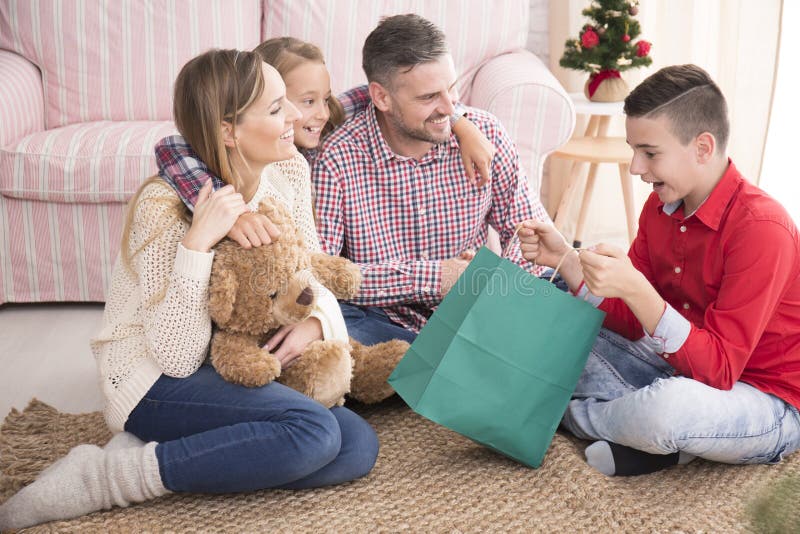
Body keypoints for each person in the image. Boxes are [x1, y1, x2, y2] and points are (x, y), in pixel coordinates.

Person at [0, 49, 378, 530]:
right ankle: (109, 476)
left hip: (234, 366)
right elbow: (176, 358)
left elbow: (312, 273)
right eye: (277, 109)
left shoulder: (289, 173)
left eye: (290, 103)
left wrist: (315, 321)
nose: (297, 118)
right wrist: (197, 245)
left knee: (355, 447)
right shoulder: (162, 205)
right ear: (227, 131)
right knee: (313, 434)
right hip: (153, 381)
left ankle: (179, 451)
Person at [518, 64, 800, 476]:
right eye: (634, 149)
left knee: (668, 410)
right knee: (555, 326)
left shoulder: (762, 229)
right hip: (676, 364)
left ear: (703, 147)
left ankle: (568, 415)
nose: (635, 167)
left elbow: (720, 370)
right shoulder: (659, 208)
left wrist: (640, 292)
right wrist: (567, 260)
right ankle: (656, 442)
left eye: (649, 153)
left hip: (762, 397)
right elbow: (631, 325)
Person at [312, 14, 551, 346]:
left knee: (565, 286)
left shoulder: (483, 132)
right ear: (381, 97)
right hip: (385, 319)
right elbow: (322, 271)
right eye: (428, 98)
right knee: (329, 323)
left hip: (477, 307)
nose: (448, 108)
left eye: (450, 89)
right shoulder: (338, 157)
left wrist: (492, 283)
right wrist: (436, 277)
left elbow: (532, 232)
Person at [155, 36, 496, 249]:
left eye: (325, 98)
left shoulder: (327, 118)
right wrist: (232, 212)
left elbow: (398, 96)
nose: (320, 113)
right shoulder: (255, 147)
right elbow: (171, 148)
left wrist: (460, 123)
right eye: (304, 101)